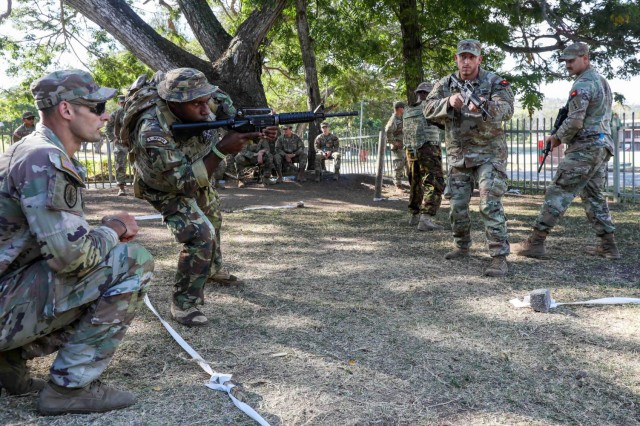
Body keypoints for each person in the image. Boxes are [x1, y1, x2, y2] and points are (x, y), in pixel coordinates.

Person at [0, 69, 154, 414]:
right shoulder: (44, 158)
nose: (106, 115)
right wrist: (112, 229)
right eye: (97, 106)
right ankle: (69, 389)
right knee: (132, 260)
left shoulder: (29, 150)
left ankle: (8, 369)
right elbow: (71, 258)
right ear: (67, 110)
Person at [128, 67, 276, 326]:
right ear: (173, 103)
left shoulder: (211, 98)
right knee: (199, 233)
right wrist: (220, 150)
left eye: (204, 100)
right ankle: (184, 303)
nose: (205, 109)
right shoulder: (152, 129)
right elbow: (183, 183)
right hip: (164, 184)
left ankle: (211, 269)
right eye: (196, 104)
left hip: (196, 167)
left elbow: (236, 123)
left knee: (213, 215)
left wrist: (256, 132)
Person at [515, 42, 620, 259]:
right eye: (565, 61)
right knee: (593, 195)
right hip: (602, 146)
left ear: (585, 57)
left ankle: (536, 241)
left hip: (585, 148)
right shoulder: (601, 81)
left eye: (572, 60)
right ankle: (608, 245)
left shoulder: (582, 85)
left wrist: (557, 137)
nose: (567, 65)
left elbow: (574, 121)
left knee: (558, 191)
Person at [423, 39, 514, 277]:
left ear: (479, 59)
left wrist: (485, 105)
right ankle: (461, 245)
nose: (466, 61)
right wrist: (447, 103)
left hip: (489, 155)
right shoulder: (446, 83)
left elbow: (507, 109)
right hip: (459, 157)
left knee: (489, 204)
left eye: (471, 57)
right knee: (457, 206)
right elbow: (427, 108)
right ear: (456, 59)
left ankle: (498, 257)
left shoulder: (494, 81)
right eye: (462, 57)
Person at [403, 82, 444, 231]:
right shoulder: (429, 109)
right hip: (428, 148)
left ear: (418, 93)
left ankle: (414, 215)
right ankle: (426, 218)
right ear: (429, 93)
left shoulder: (408, 110)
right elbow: (445, 125)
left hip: (410, 151)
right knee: (434, 182)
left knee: (415, 182)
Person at [105, 95, 129, 195]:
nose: (123, 104)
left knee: (139, 164)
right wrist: (113, 138)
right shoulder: (115, 114)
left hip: (132, 142)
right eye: (121, 103)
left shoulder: (132, 112)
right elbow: (108, 128)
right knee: (120, 165)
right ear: (119, 103)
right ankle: (121, 188)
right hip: (120, 143)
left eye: (125, 102)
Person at [385, 101, 406, 190]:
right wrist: (394, 142)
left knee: (403, 163)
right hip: (397, 146)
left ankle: (400, 183)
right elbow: (387, 131)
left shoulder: (400, 118)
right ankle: (398, 185)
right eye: (403, 108)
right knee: (398, 165)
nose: (404, 109)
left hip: (402, 145)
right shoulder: (394, 119)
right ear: (400, 108)